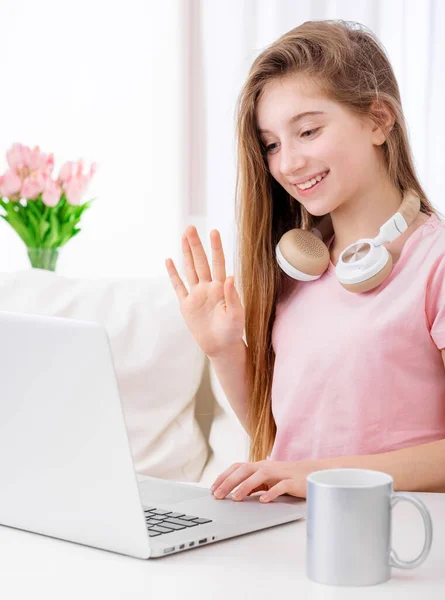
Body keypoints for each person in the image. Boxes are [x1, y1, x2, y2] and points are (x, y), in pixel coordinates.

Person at [165, 20, 445, 502]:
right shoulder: (299, 267)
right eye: (271, 144)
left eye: (308, 131)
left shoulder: (433, 261)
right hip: (296, 528)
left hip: (395, 537)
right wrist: (224, 350)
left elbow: (308, 466)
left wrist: (320, 473)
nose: (287, 163)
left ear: (378, 120)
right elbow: (281, 435)